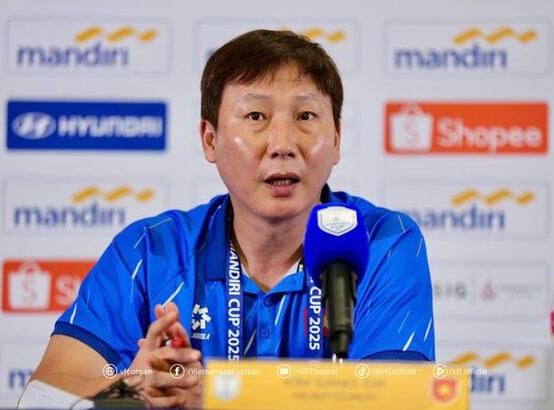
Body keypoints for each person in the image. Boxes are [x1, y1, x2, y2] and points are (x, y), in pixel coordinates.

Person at [27, 29, 435, 408]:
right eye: (256, 116)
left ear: (338, 140)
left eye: (305, 117)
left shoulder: (382, 242)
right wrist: (130, 390)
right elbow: (40, 397)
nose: (283, 144)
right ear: (210, 140)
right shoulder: (149, 251)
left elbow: (399, 400)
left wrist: (221, 395)